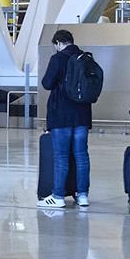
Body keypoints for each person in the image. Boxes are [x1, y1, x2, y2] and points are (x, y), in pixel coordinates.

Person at [38, 29, 92, 209]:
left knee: (61, 157)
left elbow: (47, 83)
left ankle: (58, 196)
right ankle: (83, 195)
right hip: (82, 115)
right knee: (81, 156)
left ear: (58, 43)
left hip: (61, 115)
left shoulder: (58, 58)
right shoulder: (84, 57)